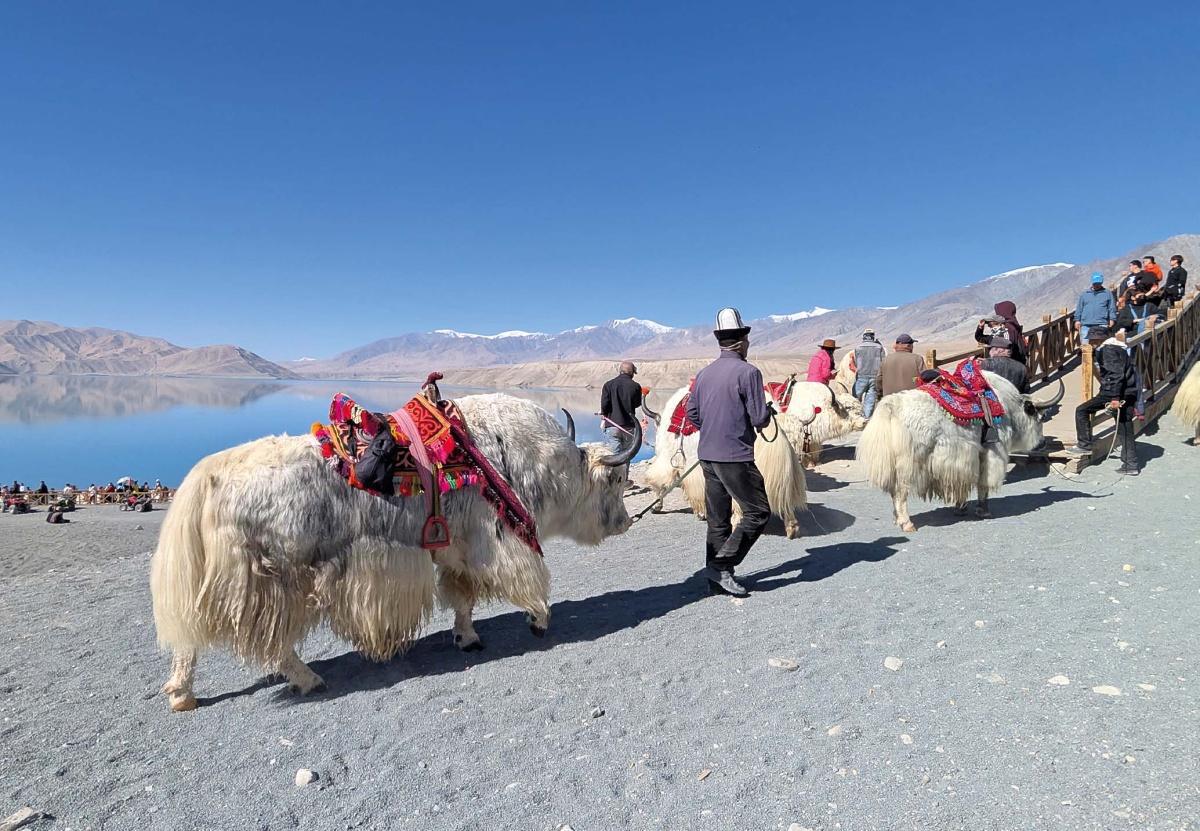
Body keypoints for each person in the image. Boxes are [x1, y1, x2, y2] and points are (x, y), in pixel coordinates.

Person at [685, 307, 774, 598]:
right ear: (742, 341)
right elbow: (760, 418)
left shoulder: (704, 373)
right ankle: (722, 566)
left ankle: (717, 576)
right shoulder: (749, 372)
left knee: (718, 518)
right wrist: (761, 415)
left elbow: (693, 413)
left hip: (707, 454)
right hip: (735, 455)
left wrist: (713, 428)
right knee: (758, 512)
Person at [1072, 326, 1140, 474]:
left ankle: (1084, 444)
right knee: (1125, 428)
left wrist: (1114, 398)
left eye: (1092, 339)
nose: (1091, 342)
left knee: (1082, 410)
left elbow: (1115, 374)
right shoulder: (1118, 348)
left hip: (1114, 393)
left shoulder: (1107, 350)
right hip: (1128, 392)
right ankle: (1131, 465)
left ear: (1099, 339)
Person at [600, 360, 643, 441]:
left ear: (620, 371)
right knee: (629, 452)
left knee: (615, 453)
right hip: (629, 427)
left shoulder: (608, 385)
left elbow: (604, 404)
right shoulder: (636, 386)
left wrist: (603, 413)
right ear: (631, 372)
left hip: (612, 426)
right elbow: (637, 404)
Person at [851, 329, 885, 418]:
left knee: (855, 399)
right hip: (875, 376)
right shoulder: (879, 347)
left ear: (864, 336)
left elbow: (855, 361)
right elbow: (883, 362)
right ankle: (866, 419)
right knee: (870, 400)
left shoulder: (858, 347)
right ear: (873, 336)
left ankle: (856, 418)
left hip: (861, 376)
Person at [1075, 272, 1117, 341]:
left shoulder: (1107, 293)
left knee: (1100, 346)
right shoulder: (1085, 294)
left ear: (1101, 282)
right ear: (1092, 282)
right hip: (1086, 323)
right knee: (1086, 347)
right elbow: (1079, 308)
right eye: (1095, 283)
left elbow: (1112, 307)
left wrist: (1112, 319)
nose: (1097, 285)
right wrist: (1077, 320)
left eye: (1099, 283)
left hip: (1101, 323)